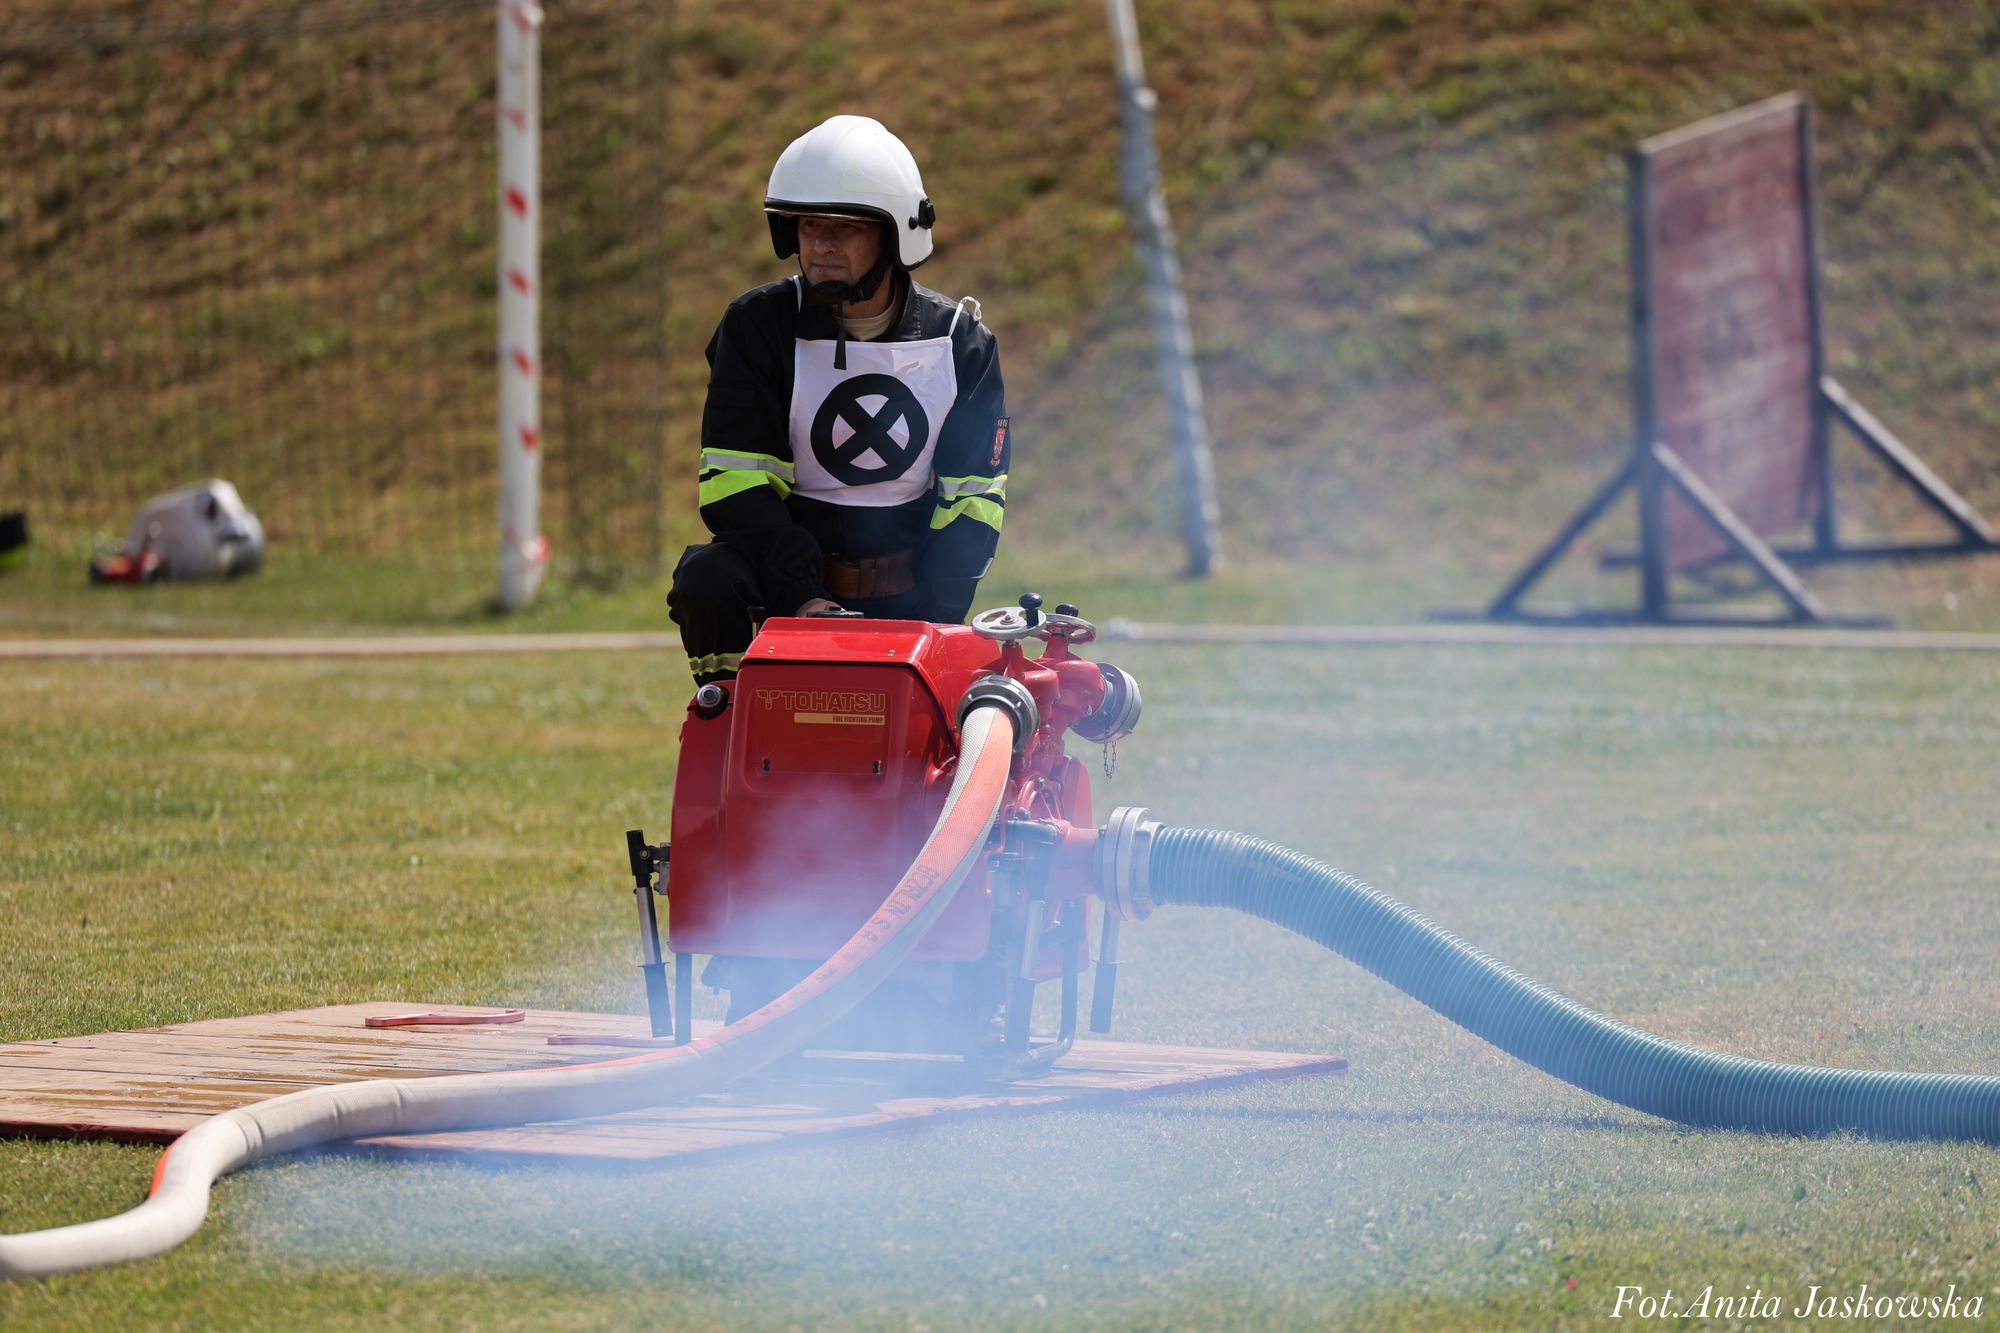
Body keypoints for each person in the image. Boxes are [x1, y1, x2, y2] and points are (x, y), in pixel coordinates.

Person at [668, 114, 1009, 685]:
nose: (820, 244)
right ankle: (726, 708)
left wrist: (934, 622)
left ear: (893, 237)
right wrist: (804, 598)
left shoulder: (960, 343)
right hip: (783, 590)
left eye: (844, 228)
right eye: (808, 226)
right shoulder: (758, 328)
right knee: (707, 580)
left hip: (912, 597)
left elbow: (974, 501)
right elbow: (736, 486)